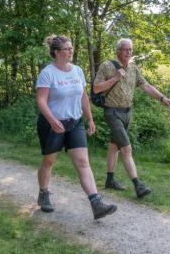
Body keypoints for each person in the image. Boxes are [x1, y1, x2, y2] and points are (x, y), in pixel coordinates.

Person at [36, 35, 117, 220]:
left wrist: (90, 119)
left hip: (75, 122)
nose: (71, 51)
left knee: (82, 162)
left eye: (71, 48)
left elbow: (83, 97)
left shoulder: (78, 71)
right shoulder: (48, 73)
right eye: (67, 49)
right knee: (49, 161)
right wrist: (51, 120)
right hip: (52, 124)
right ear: (56, 52)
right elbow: (41, 100)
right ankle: (43, 193)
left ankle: (96, 203)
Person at [93, 38, 170, 198]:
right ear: (118, 51)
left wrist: (162, 98)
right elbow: (96, 88)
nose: (129, 52)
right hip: (112, 112)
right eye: (125, 49)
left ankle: (110, 180)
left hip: (127, 113)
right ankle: (138, 185)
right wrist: (115, 78)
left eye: (130, 50)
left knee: (114, 146)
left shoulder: (133, 68)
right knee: (126, 148)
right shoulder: (107, 66)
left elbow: (146, 86)